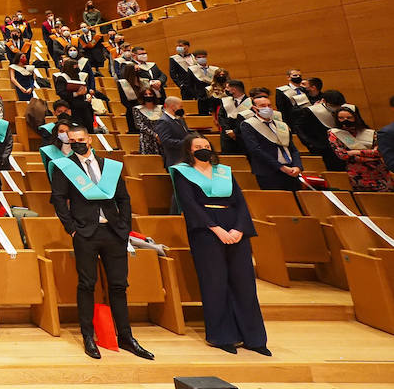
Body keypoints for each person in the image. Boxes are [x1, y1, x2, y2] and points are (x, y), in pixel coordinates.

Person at [50, 125, 153, 361]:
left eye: (81, 138)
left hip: (114, 232)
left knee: (119, 285)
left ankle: (126, 337)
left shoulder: (109, 166)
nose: (77, 142)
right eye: (72, 139)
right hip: (85, 233)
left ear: (89, 139)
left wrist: (124, 227)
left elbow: (123, 199)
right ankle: (88, 335)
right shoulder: (65, 168)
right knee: (87, 284)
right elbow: (58, 200)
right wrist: (72, 229)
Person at [170, 133, 269, 355]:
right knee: (215, 283)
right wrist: (217, 230)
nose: (204, 148)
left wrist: (239, 229)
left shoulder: (224, 172)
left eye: (207, 145)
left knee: (244, 284)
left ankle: (254, 338)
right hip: (207, 232)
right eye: (198, 146)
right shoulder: (182, 173)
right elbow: (190, 205)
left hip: (235, 229)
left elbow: (241, 202)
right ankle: (222, 336)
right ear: (189, 151)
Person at [239, 101, 304, 191]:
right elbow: (255, 150)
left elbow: (292, 148)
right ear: (254, 108)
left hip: (291, 170)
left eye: (269, 105)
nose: (267, 108)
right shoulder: (248, 125)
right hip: (269, 172)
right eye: (263, 105)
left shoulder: (281, 124)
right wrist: (281, 167)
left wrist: (297, 166)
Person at [328, 104, 388, 192]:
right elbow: (342, 155)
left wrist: (354, 152)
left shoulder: (370, 133)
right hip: (357, 174)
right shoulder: (335, 133)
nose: (345, 121)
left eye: (349, 117)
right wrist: (370, 155)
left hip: (379, 172)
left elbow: (378, 153)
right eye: (341, 118)